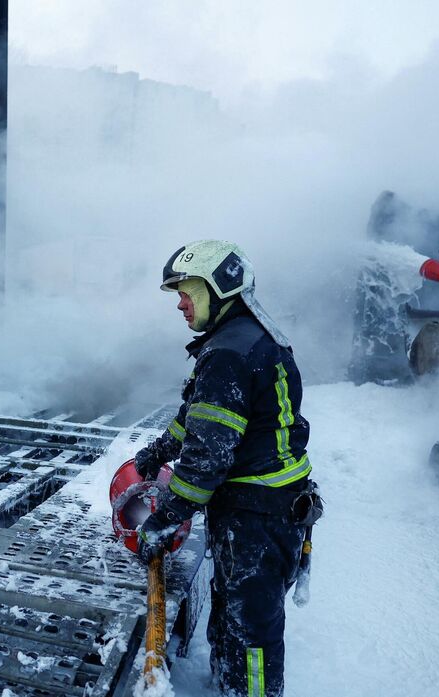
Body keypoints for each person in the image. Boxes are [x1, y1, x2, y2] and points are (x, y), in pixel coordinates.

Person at [133, 240, 322, 697]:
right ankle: (225, 682)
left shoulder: (228, 353)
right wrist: (160, 451)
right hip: (270, 509)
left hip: (257, 515)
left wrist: (165, 517)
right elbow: (201, 417)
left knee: (253, 633)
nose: (179, 303)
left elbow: (208, 457)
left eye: (187, 292)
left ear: (221, 290)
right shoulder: (246, 336)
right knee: (235, 610)